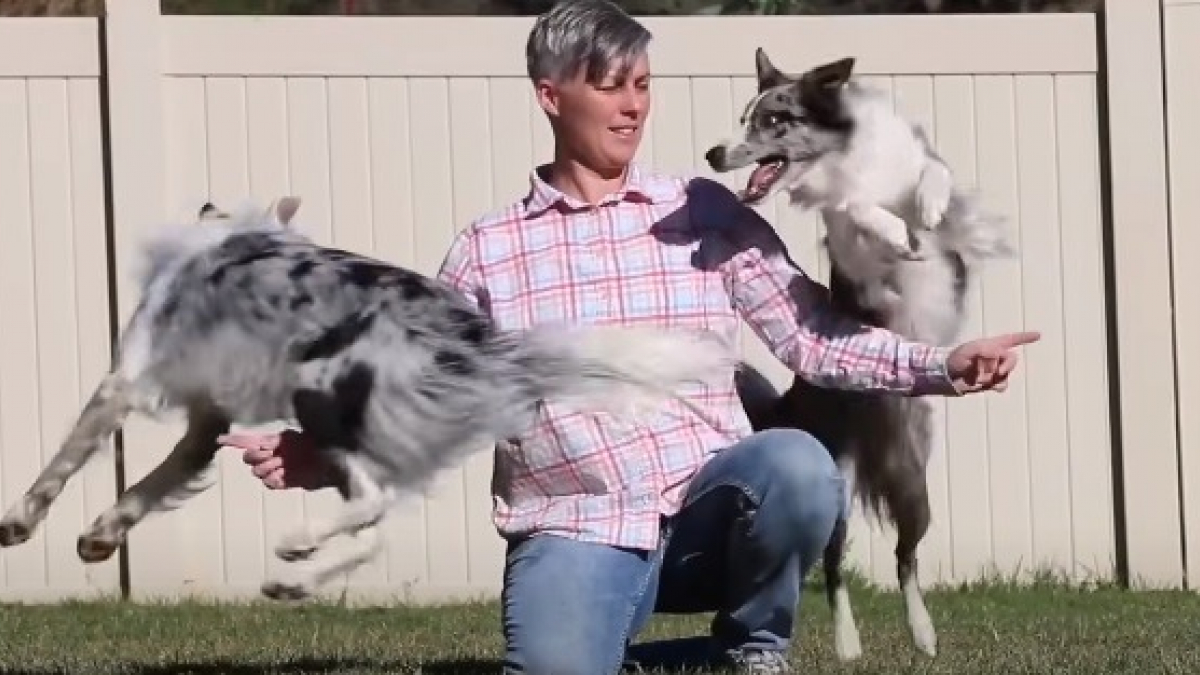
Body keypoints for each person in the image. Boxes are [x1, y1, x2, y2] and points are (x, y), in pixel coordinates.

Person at [218, 1, 1038, 673]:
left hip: (710, 512)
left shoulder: (703, 213)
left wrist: (940, 365)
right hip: (574, 524)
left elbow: (812, 335)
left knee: (796, 462)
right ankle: (666, 661)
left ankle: (753, 645)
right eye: (611, 86)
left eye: (642, 84)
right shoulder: (488, 250)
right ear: (551, 95)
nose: (634, 105)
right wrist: (326, 457)